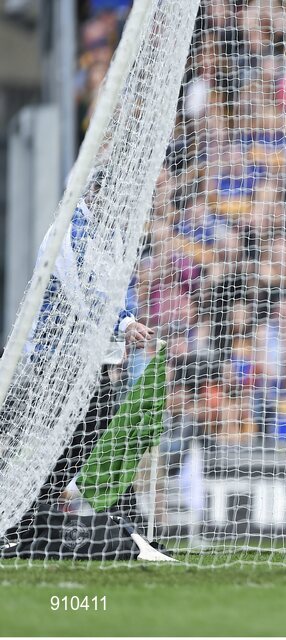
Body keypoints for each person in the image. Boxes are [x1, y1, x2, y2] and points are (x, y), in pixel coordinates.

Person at [2, 186, 157, 554]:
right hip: (53, 359)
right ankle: (25, 522)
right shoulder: (69, 228)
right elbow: (84, 292)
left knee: (98, 439)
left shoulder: (111, 232)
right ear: (98, 194)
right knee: (69, 444)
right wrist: (124, 326)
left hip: (86, 358)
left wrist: (117, 341)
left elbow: (115, 294)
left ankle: (124, 529)